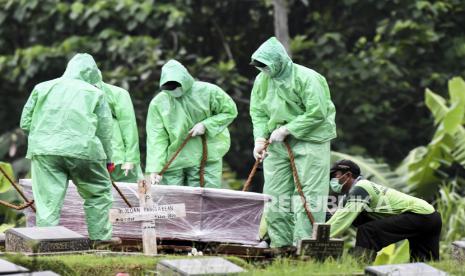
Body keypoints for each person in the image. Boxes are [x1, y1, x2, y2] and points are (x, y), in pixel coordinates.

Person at [249, 37, 336, 247]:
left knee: (308, 195)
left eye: (266, 65)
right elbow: (258, 112)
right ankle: (281, 247)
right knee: (275, 195)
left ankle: (305, 247)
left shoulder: (308, 78)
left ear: (279, 61)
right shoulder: (262, 80)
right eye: (260, 66)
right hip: (276, 143)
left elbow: (318, 112)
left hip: (310, 140)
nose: (263, 69)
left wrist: (290, 128)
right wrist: (260, 138)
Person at [20, 53, 114, 241]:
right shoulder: (95, 93)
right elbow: (104, 131)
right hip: (84, 151)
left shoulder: (42, 88)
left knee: (47, 202)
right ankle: (101, 241)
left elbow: (25, 123)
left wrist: (45, 138)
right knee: (98, 194)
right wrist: (109, 160)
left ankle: (47, 245)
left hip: (45, 151)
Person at [327, 159, 442, 261]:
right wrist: (322, 227)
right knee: (423, 263)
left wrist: (318, 237)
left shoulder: (361, 188)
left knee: (368, 231)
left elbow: (343, 220)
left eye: (335, 176)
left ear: (348, 175)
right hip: (431, 216)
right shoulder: (352, 194)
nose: (332, 180)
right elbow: (338, 216)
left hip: (419, 215)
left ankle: (358, 266)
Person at [146, 59, 237, 187]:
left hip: (206, 157)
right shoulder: (159, 103)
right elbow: (156, 137)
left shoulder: (209, 91)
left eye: (175, 85)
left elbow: (229, 111)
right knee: (173, 200)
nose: (173, 89)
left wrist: (206, 125)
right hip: (174, 160)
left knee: (205, 199)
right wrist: (155, 168)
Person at [98, 74, 142, 182]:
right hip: (92, 158)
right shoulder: (76, 95)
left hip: (117, 158)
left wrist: (130, 159)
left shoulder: (118, 94)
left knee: (130, 193)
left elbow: (128, 126)